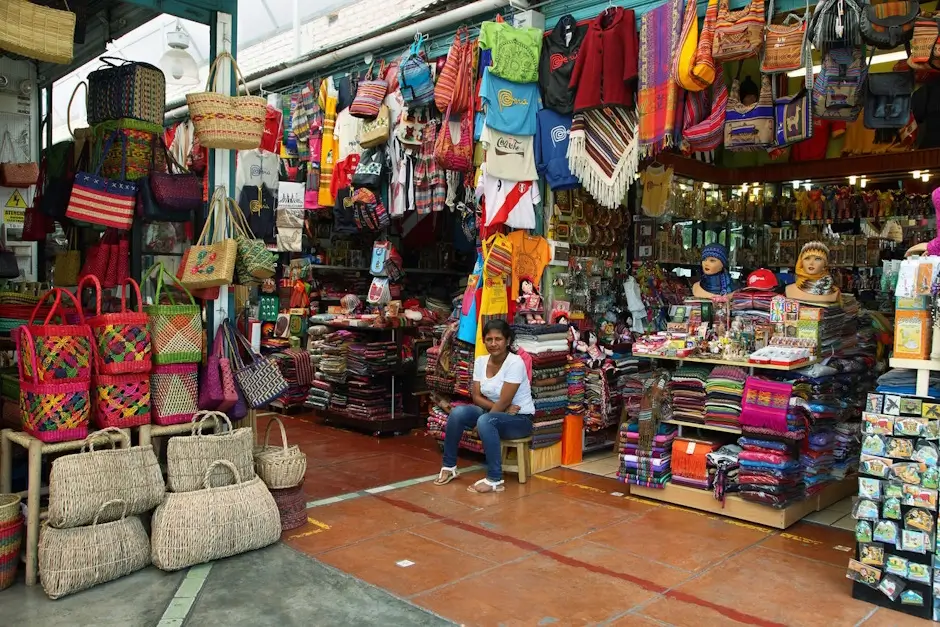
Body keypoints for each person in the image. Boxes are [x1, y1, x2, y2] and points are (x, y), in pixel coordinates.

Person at [434, 319, 535, 493]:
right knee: (458, 413)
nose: (494, 343)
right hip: (494, 413)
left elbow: (504, 400)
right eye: (489, 339)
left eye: (498, 339)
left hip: (519, 419)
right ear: (484, 341)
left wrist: (486, 418)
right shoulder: (481, 361)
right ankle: (449, 467)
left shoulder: (515, 362)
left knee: (486, 421)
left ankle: (495, 479)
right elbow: (476, 396)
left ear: (508, 341)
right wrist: (496, 411)